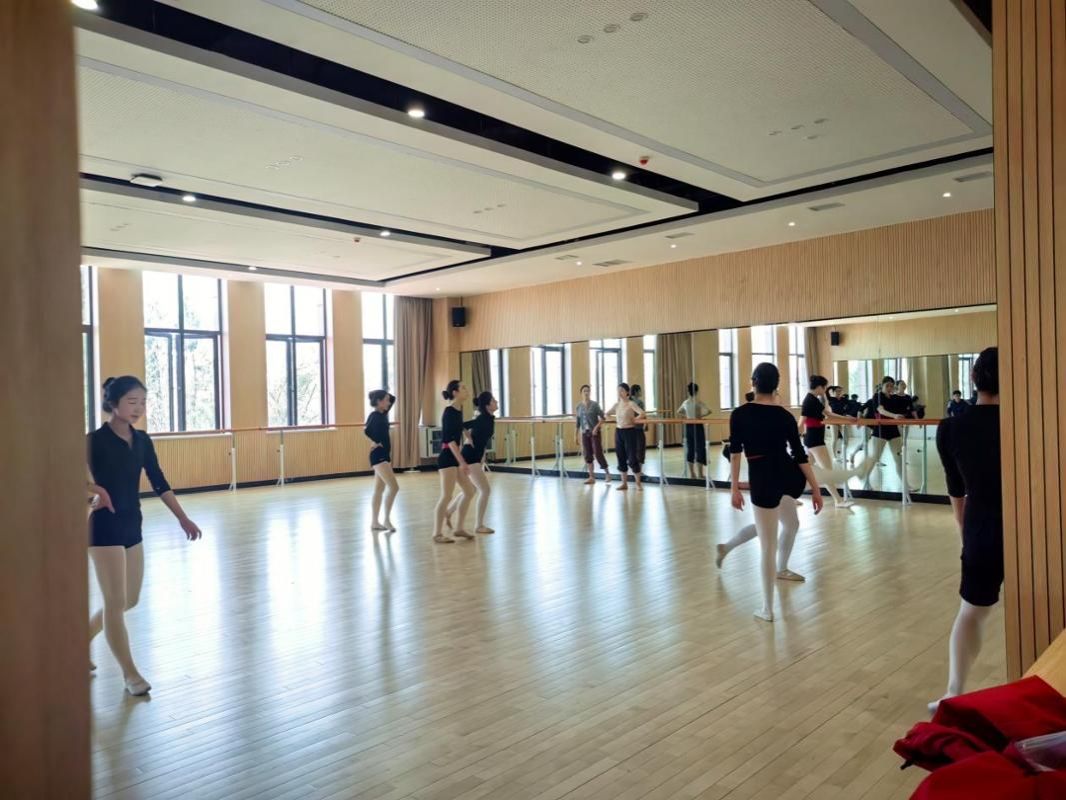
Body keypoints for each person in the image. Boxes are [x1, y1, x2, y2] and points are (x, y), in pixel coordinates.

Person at [87, 376, 202, 696]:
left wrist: (182, 517)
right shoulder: (94, 440)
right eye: (132, 402)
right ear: (113, 403)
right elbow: (64, 474)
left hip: (131, 524)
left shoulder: (142, 441)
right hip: (103, 527)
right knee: (114, 602)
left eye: (143, 402)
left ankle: (79, 640)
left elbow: (159, 481)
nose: (138, 408)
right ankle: (130, 674)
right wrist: (94, 490)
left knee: (130, 599)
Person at [929, 347, 1000, 713]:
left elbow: (956, 490)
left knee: (972, 611)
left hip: (981, 526)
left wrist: (965, 532)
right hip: (1033, 527)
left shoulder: (952, 427)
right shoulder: (1027, 421)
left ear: (973, 379)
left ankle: (953, 693)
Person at [729, 363, 823, 622]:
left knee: (767, 545)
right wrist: (816, 489)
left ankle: (767, 609)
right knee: (788, 524)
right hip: (786, 474)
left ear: (753, 382)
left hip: (762, 477)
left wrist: (734, 487)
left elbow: (735, 453)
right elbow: (800, 455)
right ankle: (777, 577)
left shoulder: (740, 414)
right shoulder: (785, 416)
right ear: (776, 385)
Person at [801, 375, 859, 508]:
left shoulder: (813, 399)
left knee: (806, 471)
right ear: (819, 387)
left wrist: (847, 419)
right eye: (824, 387)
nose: (825, 390)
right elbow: (802, 421)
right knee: (827, 471)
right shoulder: (809, 400)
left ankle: (789, 494)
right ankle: (838, 501)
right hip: (815, 441)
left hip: (813, 439)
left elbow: (828, 414)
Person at [446, 391, 496, 534]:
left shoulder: (489, 418)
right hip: (470, 456)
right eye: (493, 401)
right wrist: (468, 437)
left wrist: (483, 455)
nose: (496, 402)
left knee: (471, 489)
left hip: (474, 456)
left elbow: (482, 439)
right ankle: (479, 525)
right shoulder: (482, 418)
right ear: (487, 405)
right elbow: (461, 425)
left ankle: (448, 512)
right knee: (485, 490)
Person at [432, 380, 475, 544]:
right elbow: (450, 441)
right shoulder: (449, 411)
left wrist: (467, 433)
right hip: (447, 457)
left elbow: (459, 425)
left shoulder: (457, 411)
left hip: (453, 458)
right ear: (455, 392)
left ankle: (459, 528)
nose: (466, 390)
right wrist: (462, 462)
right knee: (446, 496)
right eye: (463, 388)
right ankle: (437, 533)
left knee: (469, 491)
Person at [861, 376, 911, 489]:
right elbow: (881, 410)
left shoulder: (894, 398)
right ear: (882, 386)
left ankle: (906, 485)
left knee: (899, 459)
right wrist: (894, 416)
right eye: (887, 386)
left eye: (891, 386)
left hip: (893, 431)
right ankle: (866, 481)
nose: (889, 388)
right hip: (880, 430)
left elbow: (902, 410)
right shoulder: (877, 396)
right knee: (875, 457)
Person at [365, 389, 398, 532]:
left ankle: (374, 522)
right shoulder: (374, 416)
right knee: (394, 487)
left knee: (379, 489)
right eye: (386, 399)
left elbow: (393, 398)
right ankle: (386, 520)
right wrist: (375, 441)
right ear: (379, 402)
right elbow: (367, 431)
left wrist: (383, 393)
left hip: (384, 454)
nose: (389, 402)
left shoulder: (383, 413)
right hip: (378, 456)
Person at [606, 382, 646, 491]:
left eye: (622, 390)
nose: (619, 392)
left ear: (627, 392)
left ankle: (638, 483)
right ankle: (624, 483)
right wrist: (613, 419)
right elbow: (606, 414)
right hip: (619, 432)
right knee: (621, 457)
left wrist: (635, 419)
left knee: (632, 458)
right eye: (618, 390)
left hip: (630, 432)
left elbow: (642, 413)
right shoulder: (616, 405)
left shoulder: (631, 403)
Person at [575, 384, 610, 484]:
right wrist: (575, 435)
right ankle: (591, 477)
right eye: (584, 391)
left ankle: (607, 473)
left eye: (588, 391)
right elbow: (578, 422)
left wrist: (596, 427)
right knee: (587, 455)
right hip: (584, 433)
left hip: (594, 433)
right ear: (581, 393)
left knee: (598, 453)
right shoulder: (578, 406)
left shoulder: (595, 405)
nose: (586, 393)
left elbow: (603, 418)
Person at [677, 382, 710, 479]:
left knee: (690, 448)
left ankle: (692, 473)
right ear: (696, 391)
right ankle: (700, 474)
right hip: (697, 425)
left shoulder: (685, 402)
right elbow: (709, 411)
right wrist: (700, 416)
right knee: (700, 447)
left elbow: (678, 411)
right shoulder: (698, 401)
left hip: (689, 425)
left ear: (688, 391)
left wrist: (687, 416)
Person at [630, 384, 648, 467]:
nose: (641, 392)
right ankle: (639, 468)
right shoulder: (639, 402)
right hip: (638, 428)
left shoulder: (628, 401)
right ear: (636, 391)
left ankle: (633, 467)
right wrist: (645, 424)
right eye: (640, 390)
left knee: (632, 448)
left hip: (629, 427)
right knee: (640, 448)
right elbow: (643, 414)